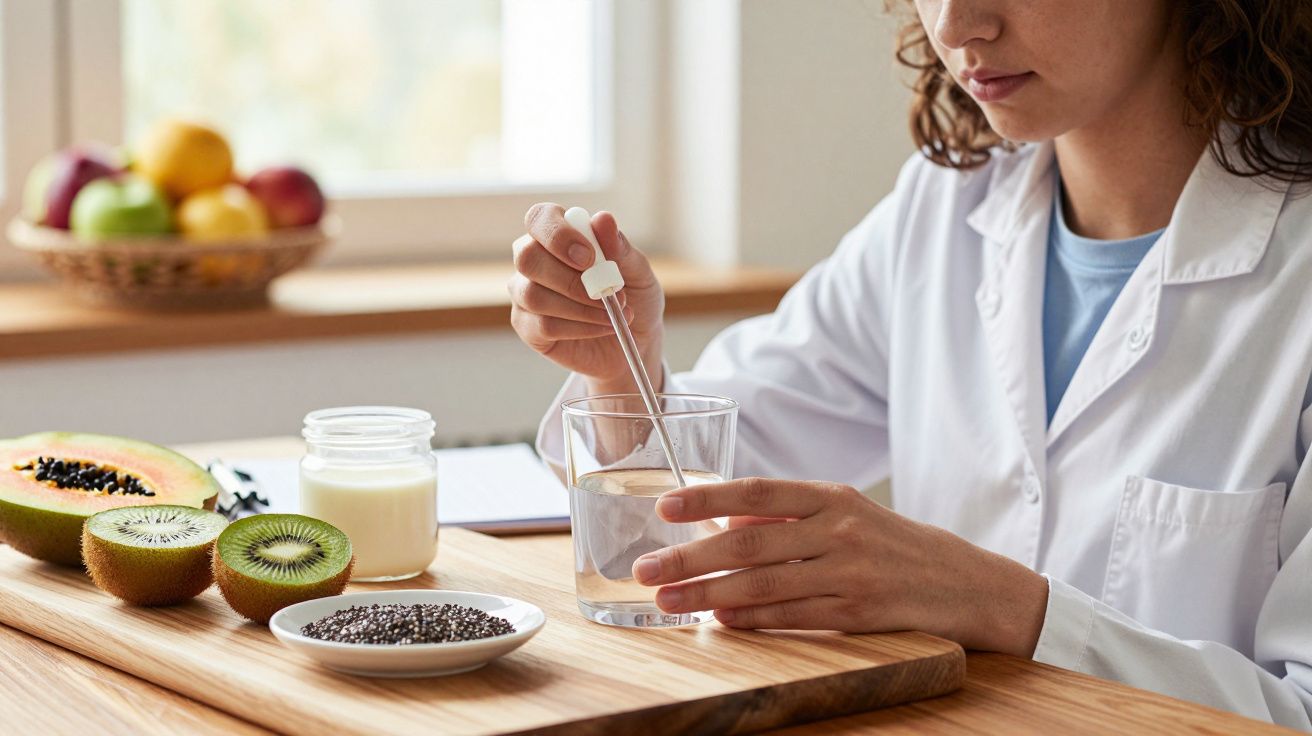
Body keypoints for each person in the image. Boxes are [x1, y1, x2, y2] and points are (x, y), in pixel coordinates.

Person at [508, 0, 1312, 727]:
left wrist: (1004, 606)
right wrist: (622, 373)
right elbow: (691, 503)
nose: (957, 25)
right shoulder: (946, 207)